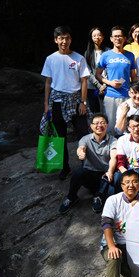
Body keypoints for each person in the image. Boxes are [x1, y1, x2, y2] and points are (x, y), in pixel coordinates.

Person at [41, 25, 90, 180]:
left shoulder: (79, 58)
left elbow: (84, 82)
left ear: (70, 39)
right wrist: (46, 104)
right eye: (61, 38)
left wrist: (83, 102)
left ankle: (87, 165)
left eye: (67, 38)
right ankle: (65, 167)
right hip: (57, 101)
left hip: (75, 100)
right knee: (60, 136)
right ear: (56, 40)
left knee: (83, 133)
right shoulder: (51, 59)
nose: (64, 41)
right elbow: (48, 82)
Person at [58, 113, 118, 214]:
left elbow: (114, 157)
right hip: (90, 174)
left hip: (106, 176)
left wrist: (110, 171)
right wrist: (80, 153)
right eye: (96, 123)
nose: (99, 125)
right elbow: (81, 148)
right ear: (91, 126)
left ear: (107, 126)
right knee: (78, 173)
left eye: (103, 123)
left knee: (115, 174)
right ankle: (71, 198)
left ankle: (98, 196)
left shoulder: (113, 140)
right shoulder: (85, 139)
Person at [96, 26, 137, 136]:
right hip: (110, 95)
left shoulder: (130, 55)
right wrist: (109, 83)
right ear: (111, 38)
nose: (117, 38)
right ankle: (111, 151)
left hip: (126, 95)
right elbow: (97, 74)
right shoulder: (106, 55)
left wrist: (135, 92)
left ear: (124, 38)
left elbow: (133, 77)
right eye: (115, 36)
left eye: (120, 36)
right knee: (109, 126)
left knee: (125, 125)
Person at [84, 27, 110, 114]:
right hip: (92, 86)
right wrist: (99, 86)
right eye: (94, 36)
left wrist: (104, 85)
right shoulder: (87, 53)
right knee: (95, 112)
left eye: (99, 35)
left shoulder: (108, 51)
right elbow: (88, 72)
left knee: (107, 111)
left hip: (107, 86)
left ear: (103, 37)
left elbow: (109, 70)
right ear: (91, 38)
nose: (97, 38)